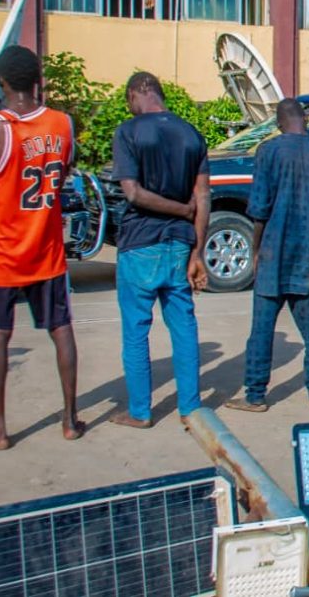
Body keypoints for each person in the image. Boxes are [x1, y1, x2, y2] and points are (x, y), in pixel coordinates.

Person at [0, 46, 80, 450]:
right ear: (38, 81)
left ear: (1, 82)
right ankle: (69, 419)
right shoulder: (63, 124)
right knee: (60, 330)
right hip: (46, 250)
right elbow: (62, 169)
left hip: (2, 251)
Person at [111, 72, 209, 428]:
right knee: (184, 326)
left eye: (128, 100)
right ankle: (190, 407)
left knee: (136, 330)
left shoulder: (128, 132)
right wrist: (197, 251)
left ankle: (140, 411)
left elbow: (133, 193)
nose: (130, 108)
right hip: (180, 246)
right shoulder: (191, 134)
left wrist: (179, 210)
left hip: (140, 243)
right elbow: (202, 197)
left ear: (139, 91)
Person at [225, 99, 309, 412]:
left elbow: (260, 207)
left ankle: (256, 395)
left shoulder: (268, 151)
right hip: (307, 257)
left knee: (261, 330)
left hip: (274, 254)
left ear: (278, 122)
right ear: (305, 120)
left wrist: (257, 249)